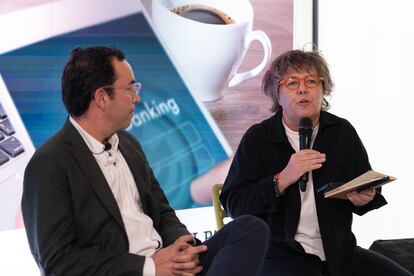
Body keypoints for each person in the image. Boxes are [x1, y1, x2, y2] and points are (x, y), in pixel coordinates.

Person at [21, 46, 270, 276]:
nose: (137, 98)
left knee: (249, 228)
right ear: (101, 97)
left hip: (167, 263)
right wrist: (149, 267)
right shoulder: (49, 163)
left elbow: (162, 211)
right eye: (129, 88)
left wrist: (183, 246)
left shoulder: (129, 145)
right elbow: (58, 262)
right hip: (133, 271)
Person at [219, 49, 413, 276]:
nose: (303, 88)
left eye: (311, 81)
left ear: (324, 90)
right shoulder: (259, 138)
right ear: (277, 94)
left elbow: (364, 183)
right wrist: (281, 180)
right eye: (292, 83)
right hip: (281, 255)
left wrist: (364, 199)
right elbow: (234, 204)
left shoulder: (341, 131)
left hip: (340, 254)